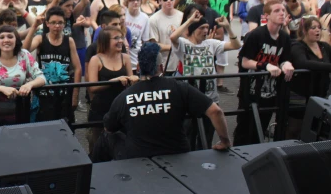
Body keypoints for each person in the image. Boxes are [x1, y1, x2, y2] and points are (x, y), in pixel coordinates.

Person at [93, 42, 231, 162]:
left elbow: (108, 128)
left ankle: (94, 177)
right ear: (161, 68)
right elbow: (215, 111)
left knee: (106, 137)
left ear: (139, 67)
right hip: (178, 152)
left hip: (138, 157)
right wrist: (225, 141)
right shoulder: (180, 87)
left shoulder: (125, 96)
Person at [170, 6, 241, 148]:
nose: (205, 31)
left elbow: (236, 45)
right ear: (192, 29)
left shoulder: (211, 44)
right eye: (201, 27)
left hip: (210, 96)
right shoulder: (184, 44)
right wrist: (190, 20)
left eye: (207, 27)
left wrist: (228, 27)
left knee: (207, 137)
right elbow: (173, 37)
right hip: (189, 97)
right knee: (188, 134)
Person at [234, 1, 295, 146]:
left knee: (261, 128)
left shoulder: (285, 37)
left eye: (283, 10)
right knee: (244, 130)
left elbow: (284, 59)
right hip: (250, 91)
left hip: (270, 91)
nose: (282, 13)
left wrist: (286, 64)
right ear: (266, 16)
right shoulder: (255, 35)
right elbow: (244, 62)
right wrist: (265, 65)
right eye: (277, 10)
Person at [289, 16, 331, 138]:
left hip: (320, 92)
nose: (317, 31)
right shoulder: (297, 46)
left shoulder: (323, 46)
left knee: (315, 125)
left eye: (319, 28)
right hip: (300, 93)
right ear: (304, 30)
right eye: (313, 28)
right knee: (295, 126)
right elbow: (303, 63)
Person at [0, 25, 46, 129]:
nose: (6, 40)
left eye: (10, 37)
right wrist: (1, 88)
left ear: (16, 39)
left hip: (21, 112)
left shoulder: (24, 55)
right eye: (2, 37)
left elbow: (41, 78)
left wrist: (29, 84)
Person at [23, 6, 82, 122]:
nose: (57, 26)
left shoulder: (69, 41)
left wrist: (75, 95)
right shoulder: (41, 39)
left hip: (64, 94)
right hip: (44, 94)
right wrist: (34, 26)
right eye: (53, 22)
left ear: (64, 24)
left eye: (60, 23)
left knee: (65, 127)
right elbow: (25, 50)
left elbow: (78, 68)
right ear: (47, 24)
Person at [86, 26, 137, 154]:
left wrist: (134, 78)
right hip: (101, 109)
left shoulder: (125, 58)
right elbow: (92, 87)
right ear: (105, 41)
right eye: (116, 38)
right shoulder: (96, 59)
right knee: (98, 145)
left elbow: (131, 80)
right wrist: (112, 82)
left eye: (121, 37)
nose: (121, 41)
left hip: (122, 108)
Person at [123, 0, 150, 70]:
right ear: (127, 1)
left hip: (137, 59)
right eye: (132, 0)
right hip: (123, 58)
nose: (135, 2)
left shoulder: (144, 18)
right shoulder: (123, 15)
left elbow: (145, 41)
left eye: (138, 0)